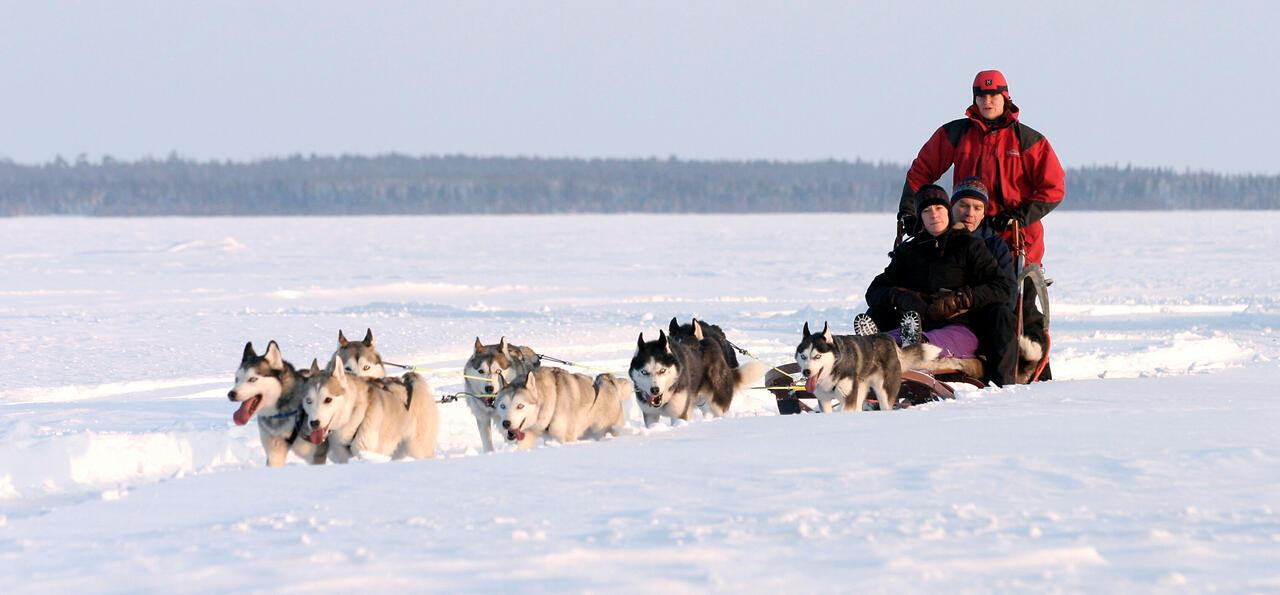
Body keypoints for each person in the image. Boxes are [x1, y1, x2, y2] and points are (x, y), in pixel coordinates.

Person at [897, 69, 1064, 269]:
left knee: (1018, 296)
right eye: (981, 96)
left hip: (1016, 236)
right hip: (966, 228)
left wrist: (1018, 217)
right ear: (974, 100)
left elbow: (1053, 188)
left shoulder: (1028, 140)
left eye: (993, 95)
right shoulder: (955, 133)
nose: (987, 101)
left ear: (1006, 98)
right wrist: (909, 210)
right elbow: (921, 171)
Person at [858, 185, 1015, 386]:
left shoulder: (970, 246)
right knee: (883, 315)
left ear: (948, 212)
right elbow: (875, 290)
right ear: (920, 217)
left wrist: (960, 299)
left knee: (935, 339)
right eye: (926, 211)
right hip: (916, 320)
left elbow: (1002, 287)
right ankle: (874, 344)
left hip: (960, 324)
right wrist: (900, 296)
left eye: (939, 209)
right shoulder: (909, 251)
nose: (934, 215)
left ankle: (909, 345)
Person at [949, 177, 1018, 383]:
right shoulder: (938, 236)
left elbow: (1009, 294)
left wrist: (970, 300)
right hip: (942, 310)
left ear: (984, 212)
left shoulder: (994, 244)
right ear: (952, 206)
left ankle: (1002, 385)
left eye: (977, 207)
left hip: (983, 314)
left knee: (1002, 315)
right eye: (964, 205)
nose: (970, 213)